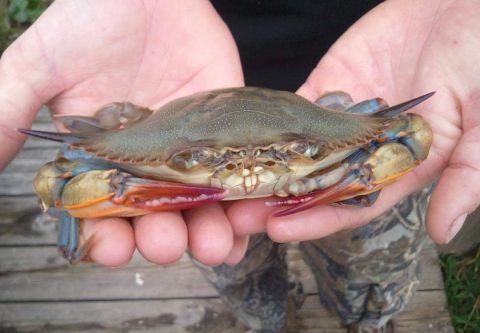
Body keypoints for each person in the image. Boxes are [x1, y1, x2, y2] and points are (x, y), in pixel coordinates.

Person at [0, 1, 478, 332]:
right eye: (199, 160)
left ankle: (368, 318)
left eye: (292, 152)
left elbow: (411, 134)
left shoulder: (343, 126)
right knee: (230, 259)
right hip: (168, 65)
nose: (248, 175)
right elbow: (56, 179)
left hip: (381, 54)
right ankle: (267, 318)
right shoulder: (139, 142)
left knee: (370, 265)